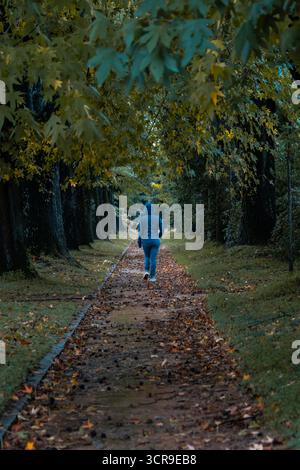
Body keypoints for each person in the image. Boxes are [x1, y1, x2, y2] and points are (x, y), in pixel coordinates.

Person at [138, 202, 163, 283]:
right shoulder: (157, 217)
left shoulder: (142, 219)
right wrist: (158, 236)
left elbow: (140, 233)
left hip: (145, 240)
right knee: (153, 259)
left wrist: (139, 242)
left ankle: (146, 271)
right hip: (155, 240)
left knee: (147, 256)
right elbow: (161, 230)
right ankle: (152, 277)